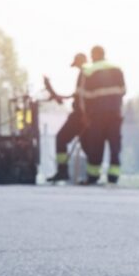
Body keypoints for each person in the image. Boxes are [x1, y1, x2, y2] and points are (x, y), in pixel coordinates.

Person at [78, 46, 126, 185]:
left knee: (95, 146)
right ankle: (113, 177)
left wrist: (85, 115)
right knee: (115, 145)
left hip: (97, 115)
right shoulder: (117, 68)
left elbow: (84, 96)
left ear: (93, 55)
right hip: (115, 113)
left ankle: (93, 176)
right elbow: (123, 90)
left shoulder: (89, 71)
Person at [45, 53, 88, 183]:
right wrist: (60, 97)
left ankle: (63, 171)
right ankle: (90, 175)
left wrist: (84, 115)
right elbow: (77, 95)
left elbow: (82, 97)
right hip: (84, 114)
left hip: (80, 115)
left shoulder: (85, 74)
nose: (76, 67)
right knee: (87, 144)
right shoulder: (85, 74)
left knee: (61, 138)